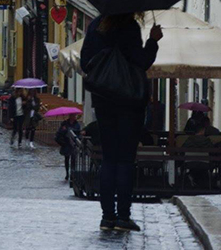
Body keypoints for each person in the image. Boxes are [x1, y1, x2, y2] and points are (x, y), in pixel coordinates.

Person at [80, 13, 163, 232]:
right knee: (125, 160)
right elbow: (142, 62)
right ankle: (123, 217)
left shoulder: (96, 25)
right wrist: (153, 41)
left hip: (104, 101)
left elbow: (84, 62)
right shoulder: (129, 26)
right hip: (128, 102)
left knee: (109, 159)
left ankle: (107, 217)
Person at [56, 114, 81, 181]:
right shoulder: (64, 123)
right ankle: (67, 173)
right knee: (67, 159)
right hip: (66, 143)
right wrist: (64, 130)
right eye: (72, 116)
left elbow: (78, 132)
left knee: (73, 159)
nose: (74, 117)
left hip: (73, 144)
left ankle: (72, 174)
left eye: (74, 116)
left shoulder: (77, 124)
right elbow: (60, 132)